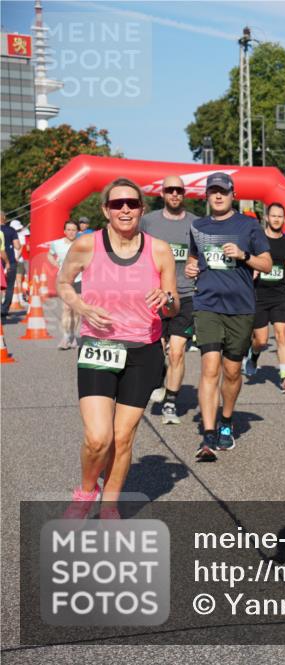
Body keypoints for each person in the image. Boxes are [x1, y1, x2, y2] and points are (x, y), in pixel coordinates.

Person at [58, 178, 179, 518]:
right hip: (99, 346)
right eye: (116, 204)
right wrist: (80, 307)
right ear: (105, 210)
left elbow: (174, 304)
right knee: (99, 438)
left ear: (142, 208)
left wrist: (167, 299)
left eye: (131, 203)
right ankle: (85, 492)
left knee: (123, 437)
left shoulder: (159, 250)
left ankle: (109, 506)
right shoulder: (86, 245)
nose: (124, 209)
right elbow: (63, 283)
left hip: (143, 349)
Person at [185, 172, 272, 460]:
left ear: (233, 194)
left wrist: (244, 256)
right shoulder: (198, 226)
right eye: (213, 192)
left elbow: (268, 265)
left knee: (232, 371)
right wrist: (190, 267)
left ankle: (226, 420)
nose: (218, 196)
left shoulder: (248, 225)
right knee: (210, 367)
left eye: (223, 191)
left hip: (241, 307)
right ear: (207, 195)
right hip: (207, 305)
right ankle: (208, 436)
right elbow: (194, 257)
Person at [140, 175, 196, 424]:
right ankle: (159, 377)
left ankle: (171, 403)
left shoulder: (197, 223)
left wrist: (197, 267)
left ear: (184, 194)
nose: (174, 194)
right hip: (154, 295)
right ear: (162, 194)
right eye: (169, 190)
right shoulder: (148, 222)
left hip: (186, 294)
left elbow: (203, 254)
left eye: (179, 190)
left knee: (177, 351)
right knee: (157, 351)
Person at [244, 202, 285, 383]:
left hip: (279, 295)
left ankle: (284, 376)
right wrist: (253, 269)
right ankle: (253, 354)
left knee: (282, 334)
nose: (276, 219)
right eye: (273, 216)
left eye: (280, 216)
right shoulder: (257, 240)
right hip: (259, 295)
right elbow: (247, 261)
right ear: (267, 217)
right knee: (261, 340)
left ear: (284, 220)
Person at [48, 220, 82, 349]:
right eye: (68, 229)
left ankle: (74, 336)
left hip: (80, 279)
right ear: (64, 231)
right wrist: (57, 265)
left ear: (77, 231)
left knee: (77, 310)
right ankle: (65, 337)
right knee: (66, 308)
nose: (71, 232)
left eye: (74, 230)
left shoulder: (82, 244)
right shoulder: (56, 244)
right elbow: (50, 255)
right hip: (64, 280)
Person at [1, 211, 21, 318]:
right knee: (9, 286)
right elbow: (17, 246)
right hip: (10, 260)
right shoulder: (11, 230)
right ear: (4, 218)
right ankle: (4, 310)